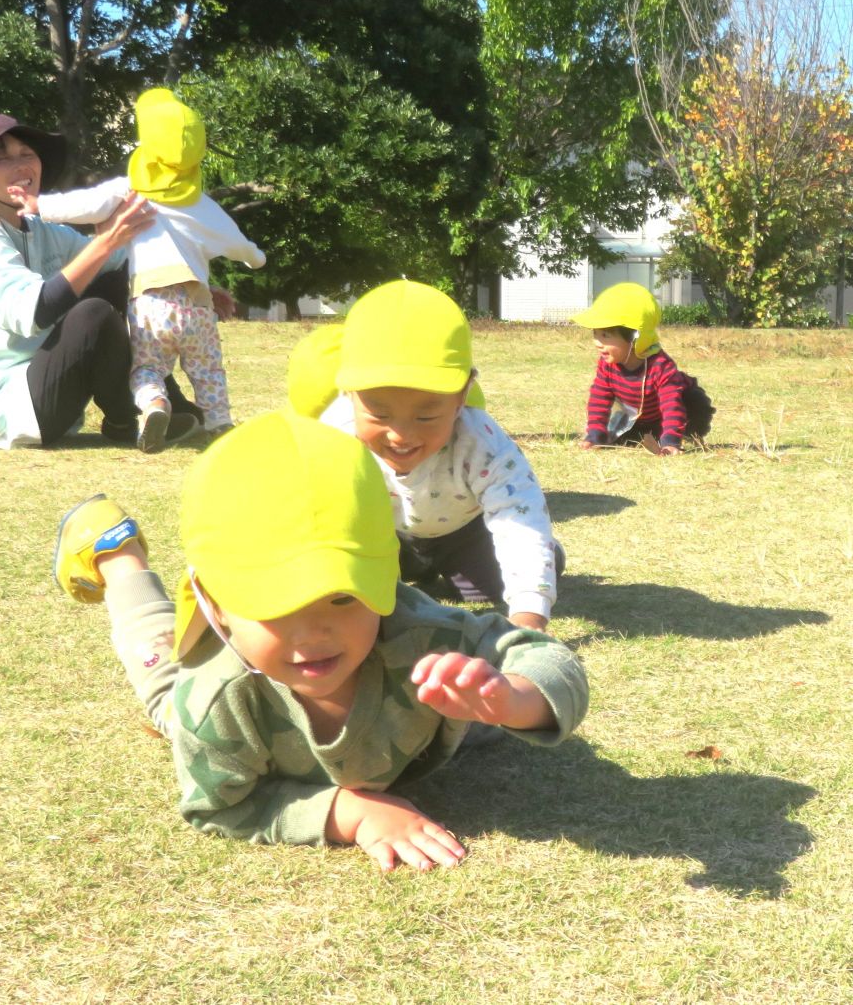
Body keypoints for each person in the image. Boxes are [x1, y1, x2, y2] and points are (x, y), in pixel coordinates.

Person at [53, 411, 588, 872]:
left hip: (403, 733)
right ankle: (115, 554)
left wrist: (514, 698)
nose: (312, 636)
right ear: (215, 606)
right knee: (162, 680)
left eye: (343, 597)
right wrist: (349, 813)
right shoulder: (217, 699)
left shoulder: (423, 633)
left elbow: (544, 655)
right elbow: (221, 807)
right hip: (216, 693)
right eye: (273, 607)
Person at [288, 280, 562, 633]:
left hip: (463, 533)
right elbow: (306, 514)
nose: (401, 435)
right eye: (380, 415)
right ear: (348, 393)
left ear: (462, 396)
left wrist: (528, 615)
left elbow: (519, 521)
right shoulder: (335, 435)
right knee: (367, 594)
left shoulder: (483, 443)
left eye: (426, 416)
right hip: (381, 535)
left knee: (495, 586)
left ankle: (540, 559)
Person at [0, 112, 202, 450]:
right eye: (3, 159)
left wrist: (187, 286)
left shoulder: (43, 230)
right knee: (94, 315)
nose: (20, 166)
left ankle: (163, 403)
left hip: (47, 391)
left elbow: (123, 268)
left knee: (121, 283)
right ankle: (126, 418)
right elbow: (38, 310)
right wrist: (106, 242)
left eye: (27, 154)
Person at [17, 89, 265, 452]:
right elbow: (238, 243)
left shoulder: (130, 190)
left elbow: (85, 205)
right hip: (197, 307)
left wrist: (40, 205)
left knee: (147, 369)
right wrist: (255, 258)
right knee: (208, 371)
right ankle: (220, 423)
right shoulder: (203, 205)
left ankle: (154, 404)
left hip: (151, 306)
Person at [571, 283, 716, 455]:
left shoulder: (660, 366)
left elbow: (672, 406)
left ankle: (687, 436)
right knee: (623, 441)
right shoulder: (608, 364)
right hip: (638, 416)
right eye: (595, 335)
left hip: (678, 411)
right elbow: (599, 399)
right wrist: (595, 435)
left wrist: (671, 442)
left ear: (634, 337)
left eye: (605, 336)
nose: (597, 343)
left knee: (695, 400)